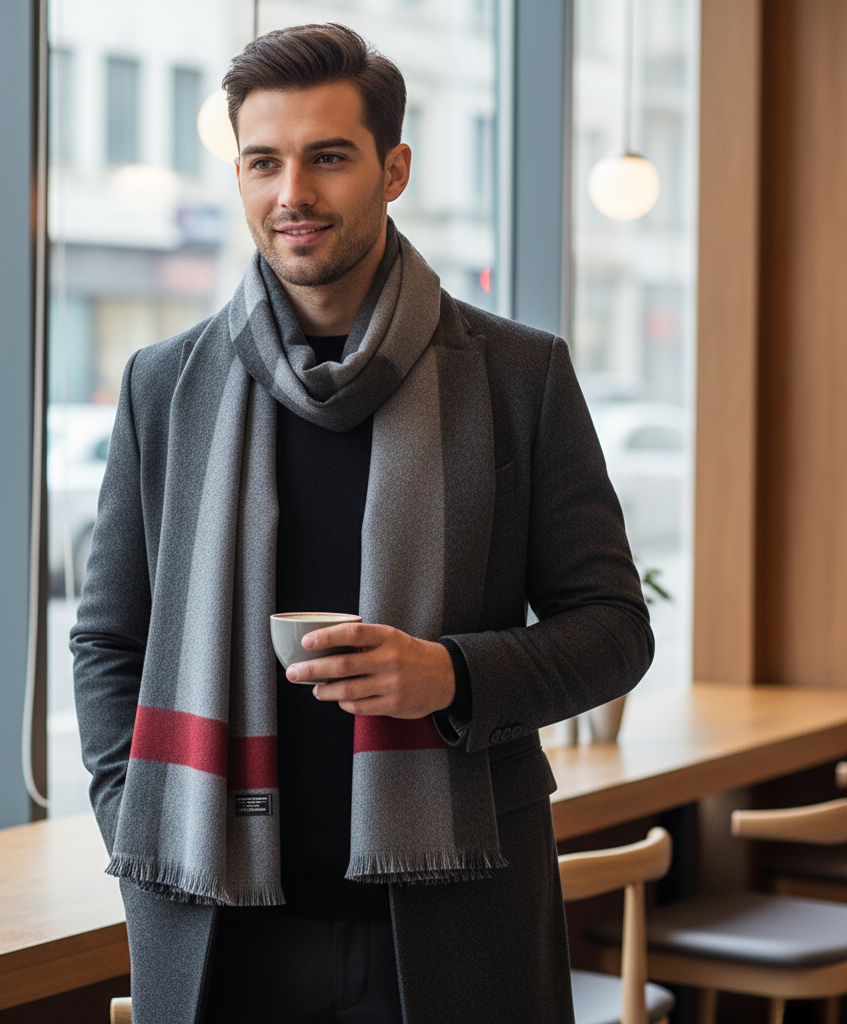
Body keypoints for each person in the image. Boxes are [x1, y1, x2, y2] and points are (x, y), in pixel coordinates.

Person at [72, 22, 653, 1024]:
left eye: (326, 157)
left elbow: (613, 626)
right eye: (263, 161)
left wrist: (455, 675)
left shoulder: (519, 377)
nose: (290, 192)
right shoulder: (166, 386)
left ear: (393, 170)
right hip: (220, 926)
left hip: (452, 922)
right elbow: (107, 638)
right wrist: (134, 809)